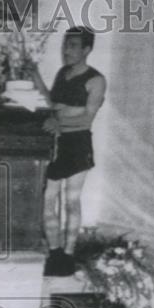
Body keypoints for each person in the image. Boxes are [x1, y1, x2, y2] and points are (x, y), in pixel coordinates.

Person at [32, 26, 107, 277]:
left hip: (78, 143)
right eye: (66, 45)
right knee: (48, 199)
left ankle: (69, 254)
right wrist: (34, 75)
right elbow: (51, 104)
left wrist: (59, 118)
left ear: (87, 49)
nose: (67, 50)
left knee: (72, 200)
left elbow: (87, 115)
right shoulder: (63, 73)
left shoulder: (96, 79)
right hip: (58, 142)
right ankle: (54, 253)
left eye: (74, 46)